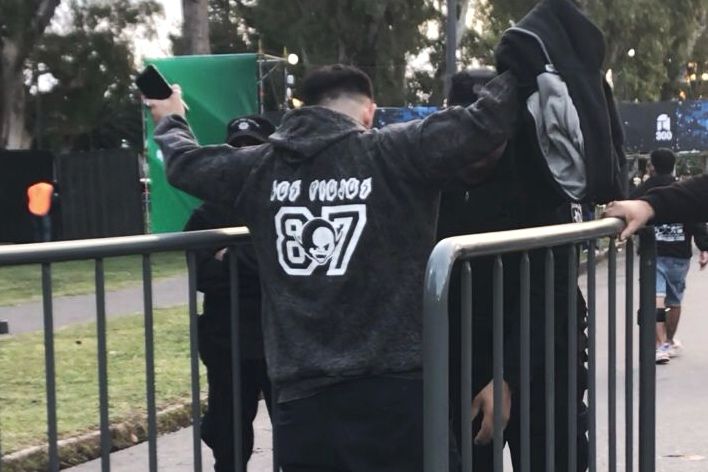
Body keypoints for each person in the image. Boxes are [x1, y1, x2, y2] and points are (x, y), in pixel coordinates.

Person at [146, 64, 518, 471]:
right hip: (396, 391)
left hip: (303, 401)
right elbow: (485, 122)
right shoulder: (395, 151)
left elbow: (184, 163)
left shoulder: (259, 167)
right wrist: (525, 59)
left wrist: (170, 116)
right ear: (368, 111)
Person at [439, 69, 589, 471]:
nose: (477, 148)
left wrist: (508, 376)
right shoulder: (434, 176)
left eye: (489, 135)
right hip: (464, 361)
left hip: (544, 362)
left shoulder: (544, 178)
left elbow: (552, 289)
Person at [183, 115, 275, 471]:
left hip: (279, 341)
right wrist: (256, 256)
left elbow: (283, 260)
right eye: (237, 148)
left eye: (253, 147)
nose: (244, 154)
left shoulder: (283, 204)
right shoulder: (207, 214)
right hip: (227, 343)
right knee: (229, 439)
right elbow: (202, 275)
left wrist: (230, 257)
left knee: (299, 438)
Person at [630, 149, 708, 363]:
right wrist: (704, 246)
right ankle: (669, 341)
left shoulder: (643, 190)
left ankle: (660, 345)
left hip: (653, 250)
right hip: (679, 253)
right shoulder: (683, 188)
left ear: (652, 166)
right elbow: (696, 218)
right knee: (674, 300)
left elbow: (629, 208)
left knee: (655, 296)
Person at [605, 174, 708, 239]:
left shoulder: (646, 187)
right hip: (677, 253)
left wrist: (647, 206)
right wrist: (648, 206)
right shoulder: (678, 188)